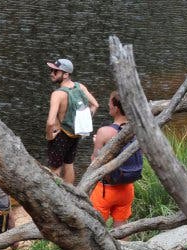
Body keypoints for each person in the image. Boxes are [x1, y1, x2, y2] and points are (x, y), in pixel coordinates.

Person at [45, 58, 99, 184]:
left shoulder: (57, 94)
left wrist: (49, 136)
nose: (51, 73)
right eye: (52, 70)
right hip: (75, 133)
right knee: (69, 164)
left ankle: (56, 197)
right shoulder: (80, 87)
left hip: (60, 134)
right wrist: (82, 122)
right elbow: (95, 105)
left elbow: (50, 122)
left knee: (55, 169)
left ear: (66, 74)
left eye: (55, 71)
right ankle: (70, 193)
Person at [90, 91, 136, 228]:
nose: (108, 105)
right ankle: (125, 249)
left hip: (105, 190)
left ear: (116, 108)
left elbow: (94, 162)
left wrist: (96, 143)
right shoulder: (136, 130)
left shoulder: (104, 132)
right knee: (121, 228)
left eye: (110, 102)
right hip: (127, 188)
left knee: (97, 229)